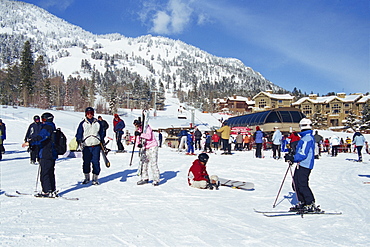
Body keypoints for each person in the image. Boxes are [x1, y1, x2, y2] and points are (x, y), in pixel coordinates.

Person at [284, 118, 319, 213]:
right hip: (301, 163)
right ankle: (303, 202)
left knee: (302, 184)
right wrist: (292, 155)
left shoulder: (307, 138)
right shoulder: (305, 137)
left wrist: (293, 158)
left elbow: (303, 153)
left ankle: (309, 203)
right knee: (295, 183)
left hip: (305, 164)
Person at [22, 113, 58, 197]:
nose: (42, 121)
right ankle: (52, 189)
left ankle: (46, 191)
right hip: (52, 153)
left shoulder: (47, 127)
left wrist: (30, 142)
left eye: (43, 119)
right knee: (50, 172)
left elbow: (41, 137)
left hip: (46, 152)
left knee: (44, 173)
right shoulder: (53, 126)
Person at [75, 107, 104, 185]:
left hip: (96, 145)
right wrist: (79, 140)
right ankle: (87, 177)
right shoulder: (83, 123)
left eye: (91, 113)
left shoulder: (98, 123)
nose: (90, 115)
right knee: (86, 162)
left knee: (96, 162)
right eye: (88, 113)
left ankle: (95, 178)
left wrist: (101, 141)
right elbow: (79, 133)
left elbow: (102, 133)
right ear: (86, 114)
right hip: (86, 146)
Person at [134, 118, 160, 186]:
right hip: (145, 148)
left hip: (152, 146)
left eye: (137, 124)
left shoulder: (147, 127)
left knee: (153, 163)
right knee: (144, 163)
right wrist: (138, 144)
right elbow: (137, 139)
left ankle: (156, 179)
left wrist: (140, 134)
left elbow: (148, 136)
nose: (136, 126)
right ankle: (145, 178)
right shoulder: (138, 130)